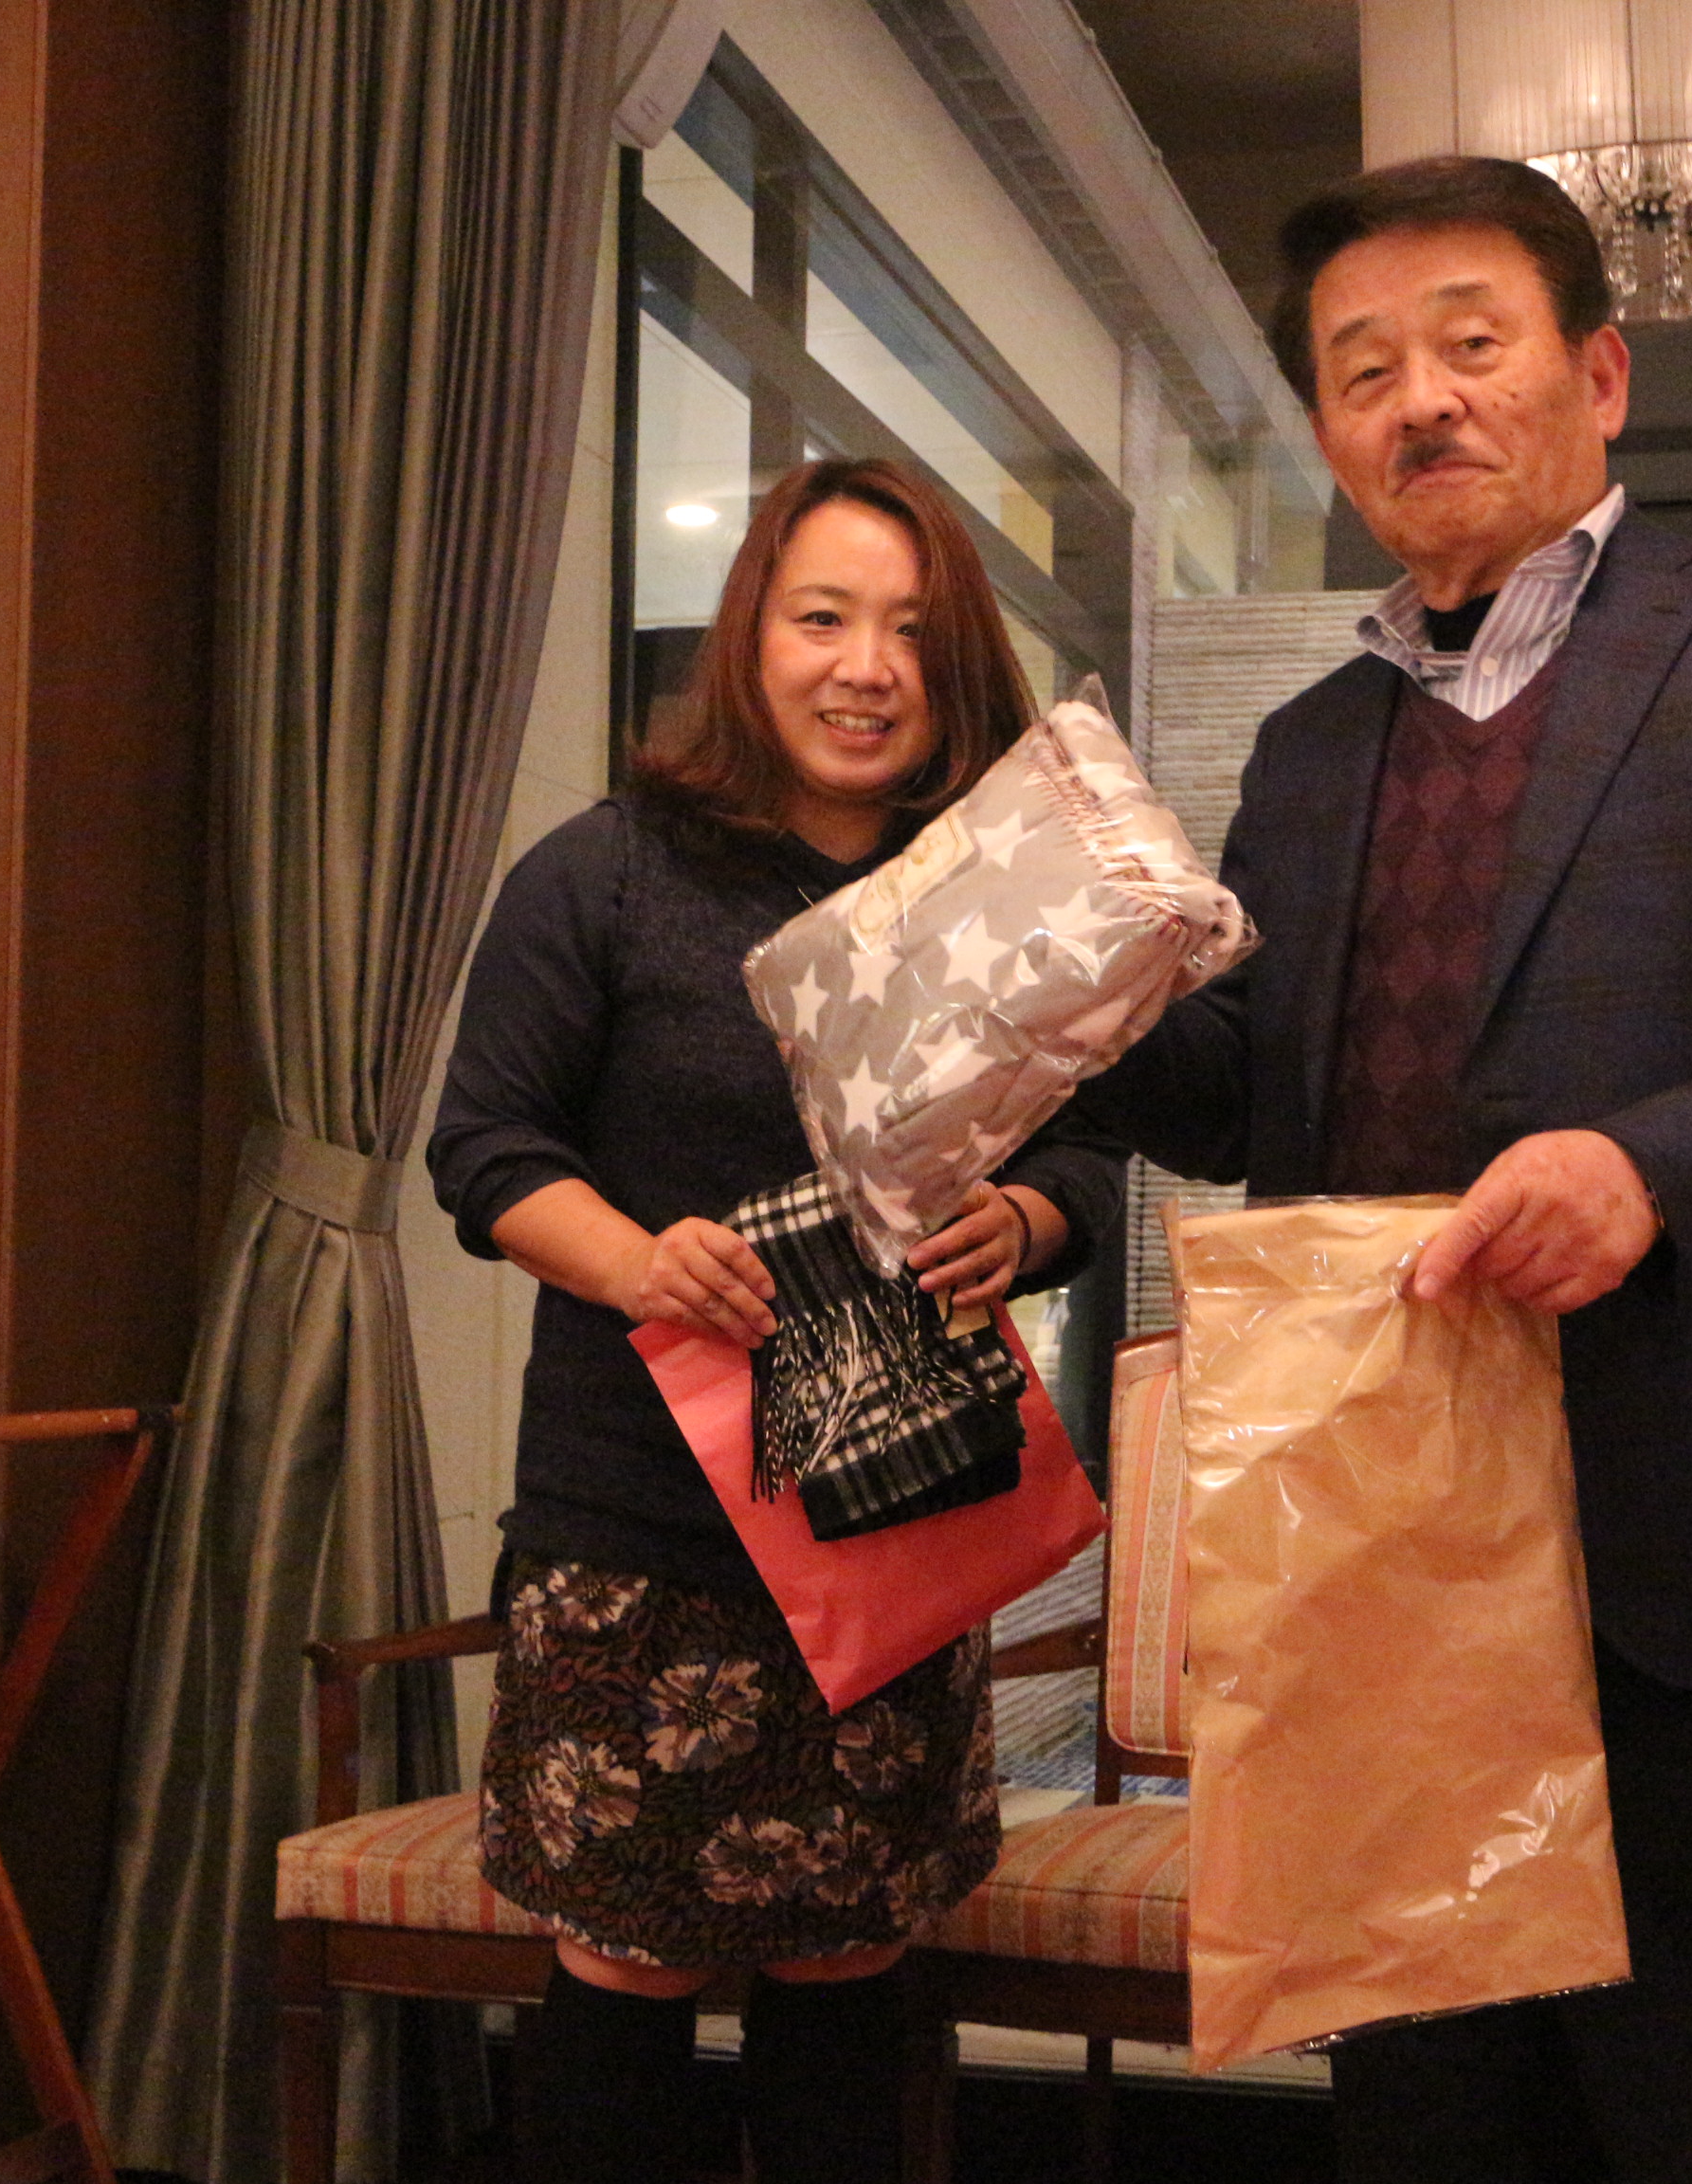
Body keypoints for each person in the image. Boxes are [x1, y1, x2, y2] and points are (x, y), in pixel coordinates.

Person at [1074, 157, 1692, 2180]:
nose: (1422, 400)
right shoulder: (1312, 745)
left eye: (1471, 344)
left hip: (1689, 1515)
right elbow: (1256, 1099)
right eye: (1364, 371)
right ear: (1329, 432)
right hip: (1381, 1539)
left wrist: (1652, 1170)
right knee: (1428, 2112)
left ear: (1598, 374)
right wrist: (1064, 989)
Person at [428, 456, 1122, 2184]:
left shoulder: (985, 897)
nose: (865, 667)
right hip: (639, 1536)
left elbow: (1092, 1147)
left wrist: (1027, 1220)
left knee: (849, 1971)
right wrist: (633, 1262)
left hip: (893, 1519)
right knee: (626, 1971)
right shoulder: (605, 873)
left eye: (911, 631)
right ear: (752, 638)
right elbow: (487, 1149)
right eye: (824, 619)